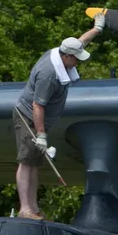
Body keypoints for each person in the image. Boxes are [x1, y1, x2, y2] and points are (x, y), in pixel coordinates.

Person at [13, 13, 106, 219]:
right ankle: (25, 209)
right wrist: (41, 135)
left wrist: (97, 28)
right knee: (26, 161)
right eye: (76, 60)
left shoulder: (63, 52)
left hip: (38, 118)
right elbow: (38, 105)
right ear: (66, 57)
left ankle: (33, 208)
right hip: (28, 116)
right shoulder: (49, 74)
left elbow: (81, 41)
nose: (78, 63)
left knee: (35, 162)